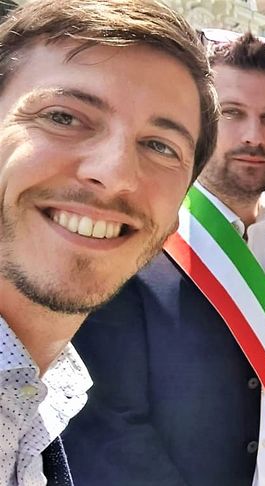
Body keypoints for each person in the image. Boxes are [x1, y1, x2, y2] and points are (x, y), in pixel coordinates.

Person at [63, 32, 265, 485]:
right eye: (232, 113)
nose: (253, 135)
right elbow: (108, 424)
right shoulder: (133, 245)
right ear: (197, 121)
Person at [0, 1, 219, 484]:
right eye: (63, 117)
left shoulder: (52, 395)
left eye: (160, 146)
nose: (115, 173)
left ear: (175, 216)